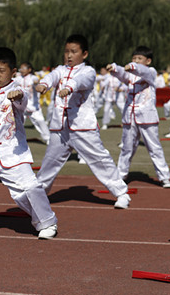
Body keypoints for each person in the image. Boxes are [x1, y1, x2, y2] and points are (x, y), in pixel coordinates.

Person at [35, 34, 131, 209]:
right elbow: (52, 77)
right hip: (60, 127)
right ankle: (37, 195)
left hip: (83, 127)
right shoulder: (60, 70)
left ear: (84, 54)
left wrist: (68, 88)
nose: (69, 55)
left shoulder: (87, 71)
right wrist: (44, 84)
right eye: (66, 52)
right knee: (49, 162)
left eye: (73, 52)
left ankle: (121, 193)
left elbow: (81, 81)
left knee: (100, 159)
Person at [0, 47, 58, 239]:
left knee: (30, 188)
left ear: (12, 72)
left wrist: (18, 97)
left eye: (1, 71)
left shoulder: (18, 89)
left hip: (13, 155)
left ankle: (47, 222)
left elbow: (22, 102)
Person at [107, 46, 170, 188]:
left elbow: (142, 71)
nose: (136, 61)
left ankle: (164, 177)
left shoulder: (150, 72)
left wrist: (132, 66)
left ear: (148, 61)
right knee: (127, 148)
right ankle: (121, 175)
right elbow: (122, 74)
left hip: (147, 116)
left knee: (154, 148)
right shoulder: (130, 75)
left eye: (139, 59)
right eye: (134, 58)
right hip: (130, 116)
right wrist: (114, 68)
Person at [15, 62, 51, 144]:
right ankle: (16, 139)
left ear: (29, 69)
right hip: (22, 107)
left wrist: (36, 83)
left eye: (24, 68)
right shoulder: (18, 78)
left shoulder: (33, 77)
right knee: (18, 124)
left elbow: (36, 81)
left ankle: (48, 138)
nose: (21, 70)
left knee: (41, 122)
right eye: (20, 69)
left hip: (34, 107)